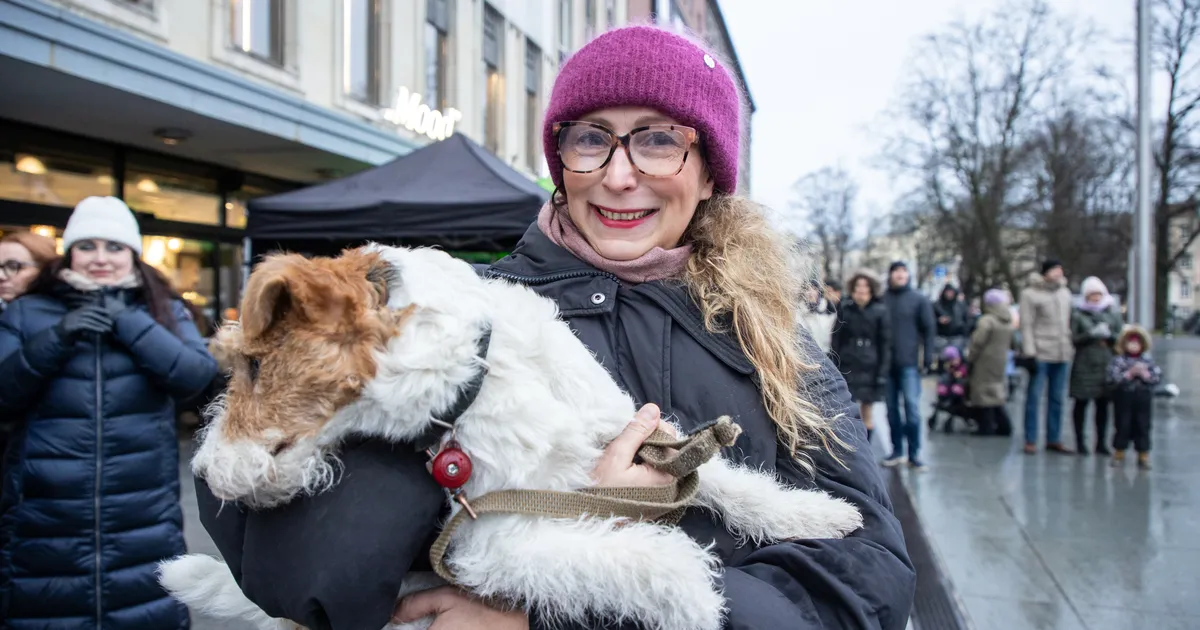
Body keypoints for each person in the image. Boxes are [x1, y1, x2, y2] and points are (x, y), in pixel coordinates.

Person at [192, 24, 916, 630]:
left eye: (658, 140)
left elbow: (869, 575)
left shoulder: (769, 339)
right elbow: (297, 559)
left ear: (707, 172)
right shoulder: (465, 322)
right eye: (591, 139)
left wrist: (563, 607)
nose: (619, 174)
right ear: (561, 161)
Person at [0, 196, 218, 628]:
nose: (101, 258)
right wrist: (58, 336)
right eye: (88, 246)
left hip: (140, 512)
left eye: (114, 247)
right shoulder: (28, 312)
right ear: (70, 253)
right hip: (44, 516)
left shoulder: (163, 310)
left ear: (133, 254)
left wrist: (127, 321)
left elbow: (196, 380)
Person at [0, 230, 58, 481]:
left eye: (14, 267)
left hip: (41, 457)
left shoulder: (64, 323)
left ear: (44, 269)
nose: (2, 276)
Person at [882, 261, 935, 469]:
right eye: (896, 271)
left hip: (909, 363)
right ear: (891, 275)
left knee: (912, 409)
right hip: (886, 365)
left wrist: (928, 357)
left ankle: (914, 453)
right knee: (891, 410)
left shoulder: (918, 300)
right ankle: (897, 450)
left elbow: (929, 330)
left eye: (903, 271)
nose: (900, 274)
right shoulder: (883, 299)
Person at [1019, 259, 1075, 454]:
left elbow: (1069, 322)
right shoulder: (1030, 294)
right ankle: (1030, 438)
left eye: (1060, 269)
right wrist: (1029, 352)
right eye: (1054, 269)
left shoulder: (1064, 293)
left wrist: (1069, 345)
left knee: (1057, 397)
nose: (1059, 273)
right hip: (1040, 351)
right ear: (1045, 273)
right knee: (1034, 397)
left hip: (1062, 351)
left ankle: (1054, 437)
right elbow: (1026, 325)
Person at [832, 271, 890, 442]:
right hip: (849, 363)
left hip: (870, 364)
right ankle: (850, 445)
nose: (862, 289)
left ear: (871, 288)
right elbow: (837, 338)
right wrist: (836, 363)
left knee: (867, 410)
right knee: (847, 408)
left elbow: (885, 344)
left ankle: (867, 446)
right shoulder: (846, 308)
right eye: (858, 286)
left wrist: (882, 372)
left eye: (865, 286)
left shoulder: (880, 311)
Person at [1068, 276, 1124, 455]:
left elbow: (1121, 338)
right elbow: (1074, 339)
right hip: (1084, 363)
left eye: (1098, 294)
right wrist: (1090, 335)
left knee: (1103, 405)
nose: (1096, 298)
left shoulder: (1113, 314)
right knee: (1081, 403)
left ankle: (1101, 443)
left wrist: (1109, 336)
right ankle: (1080, 442)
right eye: (1092, 294)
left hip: (1106, 362)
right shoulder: (1078, 314)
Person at [1106, 326, 1161, 470]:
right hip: (1124, 398)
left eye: (1137, 344)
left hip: (1142, 398)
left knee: (1143, 426)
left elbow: (1156, 377)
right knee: (1123, 424)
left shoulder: (1147, 360)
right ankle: (1119, 452)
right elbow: (1113, 378)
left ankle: (1143, 454)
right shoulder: (1119, 360)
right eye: (1131, 343)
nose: (1134, 346)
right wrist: (1129, 374)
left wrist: (1145, 374)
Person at [966, 289, 1015, 437]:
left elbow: (977, 342)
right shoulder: (1007, 320)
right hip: (1001, 360)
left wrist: (970, 357)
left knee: (983, 393)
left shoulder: (987, 320)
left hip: (985, 360)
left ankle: (985, 427)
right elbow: (1014, 342)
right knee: (996, 392)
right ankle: (1004, 426)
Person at [928, 346, 970, 432]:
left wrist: (957, 374)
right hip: (949, 386)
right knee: (943, 385)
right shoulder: (949, 367)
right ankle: (943, 399)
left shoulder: (962, 367)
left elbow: (961, 374)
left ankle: (949, 402)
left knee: (956, 389)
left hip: (958, 388)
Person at [932, 284, 968, 371]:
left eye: (951, 292)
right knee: (942, 356)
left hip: (956, 335)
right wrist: (939, 321)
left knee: (955, 357)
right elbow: (931, 320)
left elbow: (965, 319)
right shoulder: (936, 305)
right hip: (941, 335)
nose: (949, 294)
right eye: (947, 292)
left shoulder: (960, 305)